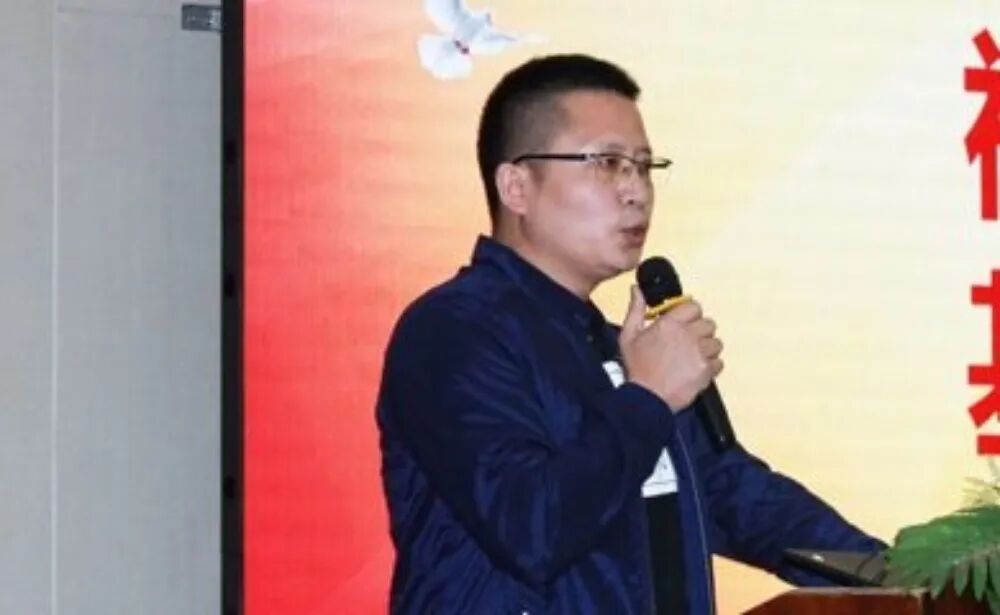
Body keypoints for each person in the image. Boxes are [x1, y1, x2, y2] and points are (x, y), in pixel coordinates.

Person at [376, 53, 884, 614]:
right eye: (608, 163)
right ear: (516, 186)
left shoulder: (619, 349)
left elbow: (738, 496)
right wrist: (648, 399)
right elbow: (532, 527)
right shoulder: (452, 331)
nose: (636, 190)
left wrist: (904, 576)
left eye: (644, 166)